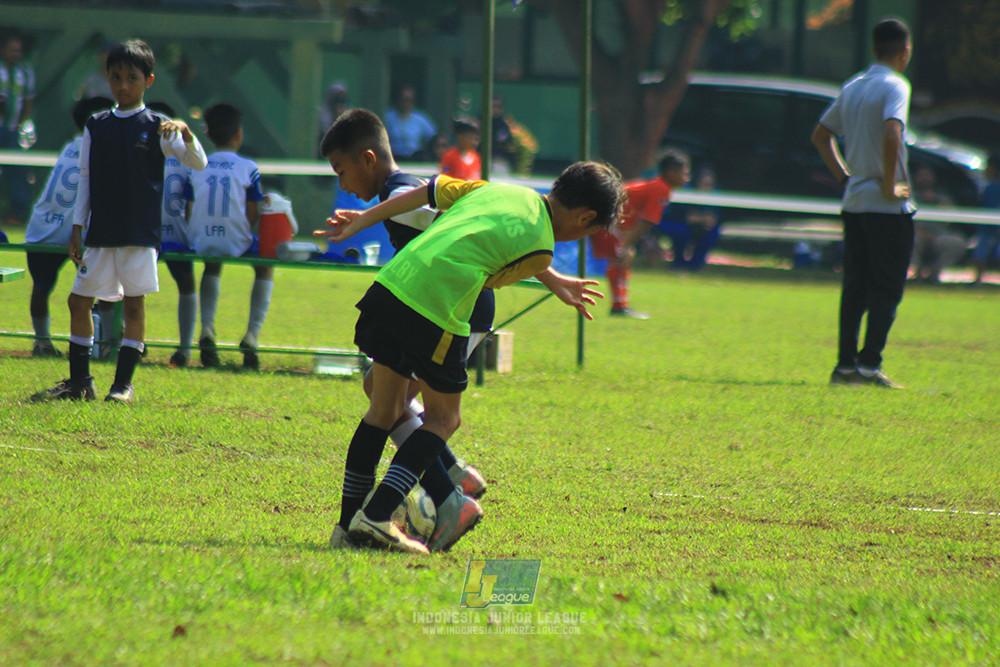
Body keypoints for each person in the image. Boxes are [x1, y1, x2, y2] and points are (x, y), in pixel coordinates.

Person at [319, 154, 625, 554]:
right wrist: (549, 274)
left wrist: (363, 220)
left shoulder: (501, 190)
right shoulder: (542, 252)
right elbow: (501, 266)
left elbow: (427, 193)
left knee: (383, 410)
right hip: (434, 306)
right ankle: (377, 516)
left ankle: (346, 528)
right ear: (584, 219)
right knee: (445, 418)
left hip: (392, 285)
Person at [316, 109, 493, 536]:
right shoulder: (395, 195)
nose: (342, 184)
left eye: (342, 171)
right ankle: (452, 477)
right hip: (426, 310)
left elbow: (458, 229)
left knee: (402, 407)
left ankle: (450, 491)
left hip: (455, 313)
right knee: (379, 391)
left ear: (369, 160)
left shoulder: (403, 191)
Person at [31, 39, 207, 404]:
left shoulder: (160, 126)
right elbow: (85, 178)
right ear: (107, 79)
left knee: (133, 306)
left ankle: (122, 386)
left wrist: (187, 133)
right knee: (78, 302)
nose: (123, 85)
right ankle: (81, 381)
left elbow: (198, 163)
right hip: (99, 234)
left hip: (139, 236)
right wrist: (77, 227)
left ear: (149, 81)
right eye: (116, 77)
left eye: (131, 78)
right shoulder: (96, 125)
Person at [811, 18, 915, 389]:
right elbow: (892, 132)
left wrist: (844, 177)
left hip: (854, 200)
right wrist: (890, 184)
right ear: (905, 51)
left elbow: (821, 136)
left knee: (854, 286)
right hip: (885, 206)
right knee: (886, 287)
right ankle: (870, 367)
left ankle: (844, 367)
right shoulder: (895, 85)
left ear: (874, 49)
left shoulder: (853, 86)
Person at [24, 96, 113, 358]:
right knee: (103, 286)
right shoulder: (98, 148)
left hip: (42, 226)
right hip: (75, 231)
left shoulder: (69, 146)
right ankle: (107, 343)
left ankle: (42, 342)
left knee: (41, 287)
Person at [185, 103, 268, 370]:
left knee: (212, 262)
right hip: (235, 239)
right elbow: (252, 211)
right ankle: (252, 336)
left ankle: (207, 329)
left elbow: (189, 207)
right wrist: (241, 233)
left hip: (200, 240)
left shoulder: (196, 165)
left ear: (207, 135)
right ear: (239, 134)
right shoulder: (249, 167)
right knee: (265, 268)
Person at [588, 148, 690, 318]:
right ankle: (618, 306)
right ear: (671, 172)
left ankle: (620, 305)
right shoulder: (660, 188)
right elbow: (647, 220)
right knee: (620, 259)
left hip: (612, 220)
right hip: (609, 220)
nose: (687, 177)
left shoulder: (657, 186)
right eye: (684, 172)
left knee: (623, 259)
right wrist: (627, 243)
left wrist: (628, 243)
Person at [148, 101, 198, 368]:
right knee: (187, 286)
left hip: (145, 232)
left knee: (128, 287)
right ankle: (185, 348)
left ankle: (123, 340)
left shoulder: (140, 153)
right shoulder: (183, 158)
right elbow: (191, 202)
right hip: (176, 234)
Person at [0, 31, 36, 226]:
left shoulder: (25, 72)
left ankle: (17, 214)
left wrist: (23, 123)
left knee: (18, 171)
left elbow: (29, 99)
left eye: (18, 50)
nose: (16, 53)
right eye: (12, 49)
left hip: (14, 129)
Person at [657, 166, 723, 271]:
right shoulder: (685, 192)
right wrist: (695, 219)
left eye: (710, 184)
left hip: (700, 227)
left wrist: (706, 220)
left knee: (713, 232)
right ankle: (678, 262)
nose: (707, 188)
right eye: (704, 184)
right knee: (681, 231)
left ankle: (695, 265)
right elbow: (678, 215)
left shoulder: (715, 195)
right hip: (677, 223)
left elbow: (714, 217)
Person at [910, 166, 967, 284]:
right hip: (917, 234)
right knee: (911, 240)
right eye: (922, 176)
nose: (925, 179)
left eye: (928, 175)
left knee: (958, 243)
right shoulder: (910, 197)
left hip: (939, 236)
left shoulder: (942, 197)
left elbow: (951, 219)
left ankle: (934, 272)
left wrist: (936, 202)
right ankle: (916, 272)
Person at [383, 84, 436, 161]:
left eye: (410, 100)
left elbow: (433, 138)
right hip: (394, 158)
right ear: (398, 99)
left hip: (415, 159)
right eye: (405, 99)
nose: (407, 103)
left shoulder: (420, 119)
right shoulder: (388, 117)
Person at [490, 95, 538, 176]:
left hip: (502, 163)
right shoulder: (478, 124)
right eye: (492, 107)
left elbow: (529, 148)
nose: (495, 110)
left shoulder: (509, 126)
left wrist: (522, 171)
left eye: (498, 107)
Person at [972, 154, 1000, 287]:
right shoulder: (987, 186)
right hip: (986, 227)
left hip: (992, 227)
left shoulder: (992, 188)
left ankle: (978, 280)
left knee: (984, 251)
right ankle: (978, 280)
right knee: (981, 252)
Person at [439, 116, 481, 181]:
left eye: (476, 139)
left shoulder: (476, 157)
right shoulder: (450, 156)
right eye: (470, 138)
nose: (474, 142)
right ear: (460, 137)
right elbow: (443, 180)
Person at [317, 81, 349, 153]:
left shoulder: (348, 113)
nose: (340, 103)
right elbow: (325, 134)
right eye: (337, 99)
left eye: (342, 100)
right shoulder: (322, 114)